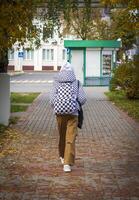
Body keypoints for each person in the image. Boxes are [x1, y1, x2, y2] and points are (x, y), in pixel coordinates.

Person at [50, 62, 86, 172]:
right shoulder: (77, 83)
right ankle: (67, 163)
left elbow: (51, 100)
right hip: (73, 114)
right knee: (70, 138)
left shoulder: (56, 83)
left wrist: (58, 107)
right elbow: (83, 99)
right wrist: (75, 104)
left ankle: (62, 156)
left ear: (61, 71)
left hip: (60, 114)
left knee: (62, 135)